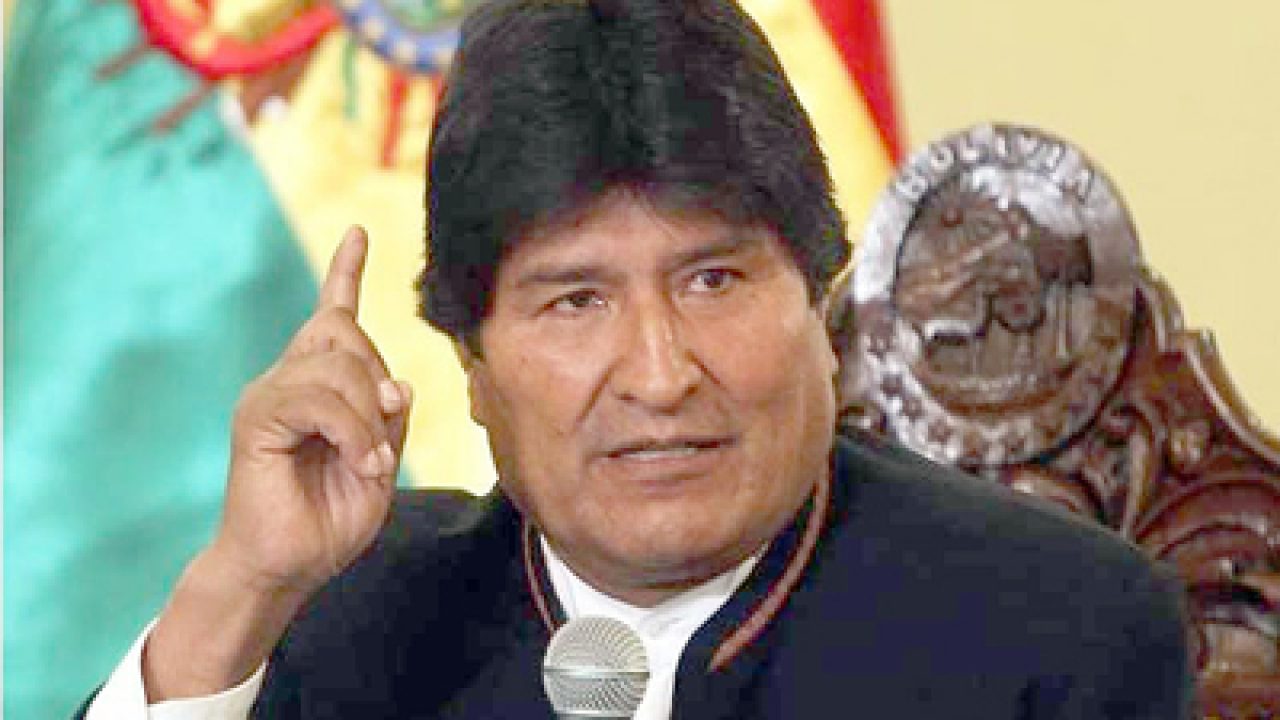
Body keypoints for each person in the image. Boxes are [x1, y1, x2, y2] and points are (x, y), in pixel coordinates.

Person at [78, 0, 1193, 717]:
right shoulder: (342, 618)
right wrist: (239, 592)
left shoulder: (1059, 633)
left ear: (819, 299)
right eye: (576, 300)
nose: (660, 376)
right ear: (471, 364)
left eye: (713, 281)